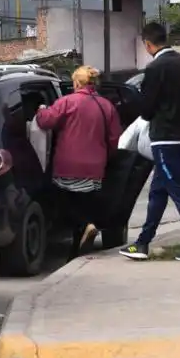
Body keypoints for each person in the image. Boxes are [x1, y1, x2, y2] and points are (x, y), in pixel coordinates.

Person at [120, 22, 180, 262]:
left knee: (177, 189)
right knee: (158, 190)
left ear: (148, 44)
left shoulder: (154, 69)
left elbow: (147, 108)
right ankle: (142, 243)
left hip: (165, 137)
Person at [35, 65, 121, 259]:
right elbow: (114, 138)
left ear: (77, 83)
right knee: (85, 205)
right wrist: (108, 157)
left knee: (67, 206)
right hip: (94, 168)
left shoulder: (66, 102)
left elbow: (45, 121)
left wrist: (41, 109)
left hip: (68, 165)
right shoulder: (106, 105)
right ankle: (79, 246)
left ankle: (85, 227)